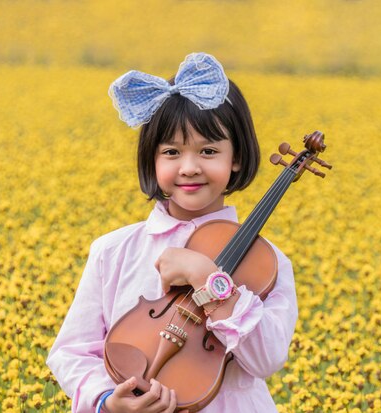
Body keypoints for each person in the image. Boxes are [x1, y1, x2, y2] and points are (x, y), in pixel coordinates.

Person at [47, 52, 298, 413]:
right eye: (171, 152)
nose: (190, 167)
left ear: (236, 158)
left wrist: (208, 279)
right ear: (152, 159)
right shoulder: (113, 250)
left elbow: (266, 359)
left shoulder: (269, 263)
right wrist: (106, 401)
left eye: (209, 151)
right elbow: (72, 351)